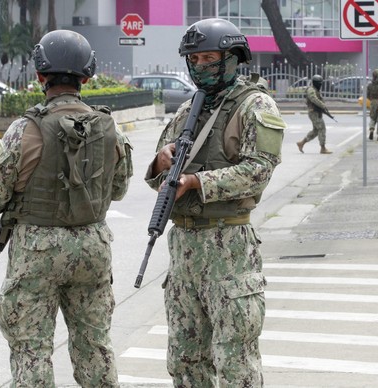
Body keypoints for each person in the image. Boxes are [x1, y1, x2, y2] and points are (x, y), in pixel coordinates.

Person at [0, 30, 133, 386]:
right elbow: (120, 190)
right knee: (94, 346)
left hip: (37, 252)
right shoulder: (112, 131)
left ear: (39, 76)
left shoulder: (23, 130)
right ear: (87, 77)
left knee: (31, 349)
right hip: (93, 249)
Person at [144, 18, 285, 387]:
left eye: (209, 57)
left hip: (228, 249)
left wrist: (196, 181)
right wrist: (161, 161)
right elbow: (162, 174)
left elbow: (258, 171)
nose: (201, 65)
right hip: (184, 248)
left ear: (233, 58)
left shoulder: (255, 105)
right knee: (185, 360)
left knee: (235, 360)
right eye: (194, 59)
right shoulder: (188, 109)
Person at [297, 74, 333, 154]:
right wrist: (323, 105)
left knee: (316, 131)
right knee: (322, 128)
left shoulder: (316, 90)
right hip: (313, 112)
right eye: (319, 83)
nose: (320, 85)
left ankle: (301, 143)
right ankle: (323, 148)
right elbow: (313, 99)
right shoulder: (311, 90)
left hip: (317, 112)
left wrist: (324, 110)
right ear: (315, 83)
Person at [367, 68, 378, 141]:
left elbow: (367, 95)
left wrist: (372, 100)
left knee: (372, 118)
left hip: (373, 101)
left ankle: (371, 130)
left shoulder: (370, 85)